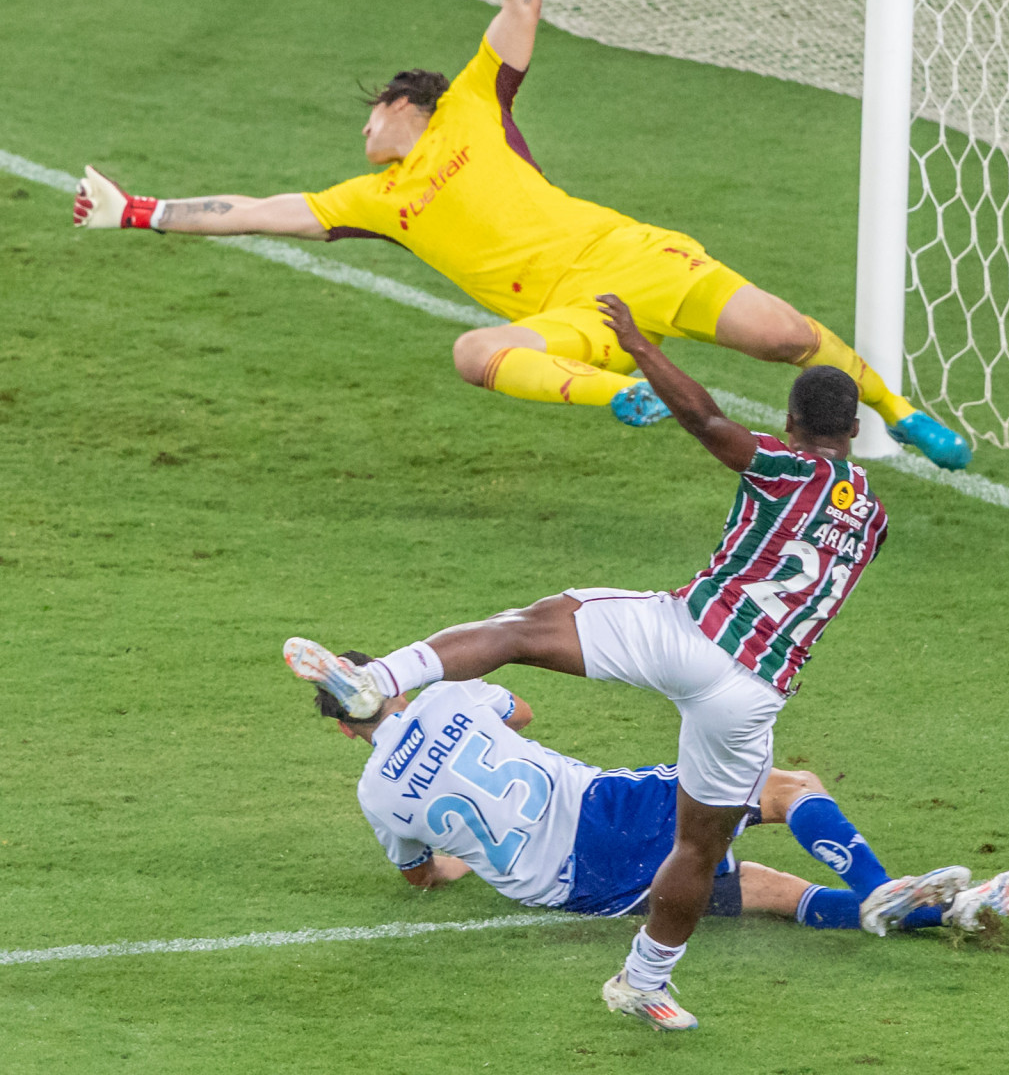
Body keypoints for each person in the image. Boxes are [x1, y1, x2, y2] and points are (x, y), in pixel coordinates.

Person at [68, 0, 970, 471]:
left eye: (369, 120)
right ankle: (620, 395)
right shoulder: (371, 202)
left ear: (401, 104)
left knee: (782, 335)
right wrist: (138, 211)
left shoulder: (470, 103)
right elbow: (254, 213)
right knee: (473, 352)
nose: (363, 138)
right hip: (568, 316)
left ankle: (902, 413)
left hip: (629, 259)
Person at [286, 296, 918, 1029]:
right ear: (856, 431)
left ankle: (383, 679)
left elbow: (709, 424)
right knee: (699, 842)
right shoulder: (871, 516)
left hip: (689, 635)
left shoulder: (785, 465)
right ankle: (645, 979)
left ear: (790, 425)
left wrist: (642, 349)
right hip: (752, 691)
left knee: (524, 629)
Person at [310, 655, 1009, 972]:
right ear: (389, 683)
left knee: (771, 893)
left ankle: (950, 913)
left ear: (344, 730)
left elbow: (420, 877)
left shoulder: (374, 796)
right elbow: (522, 711)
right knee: (785, 787)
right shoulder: (445, 697)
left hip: (577, 890)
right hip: (603, 814)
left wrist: (453, 861)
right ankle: (878, 888)